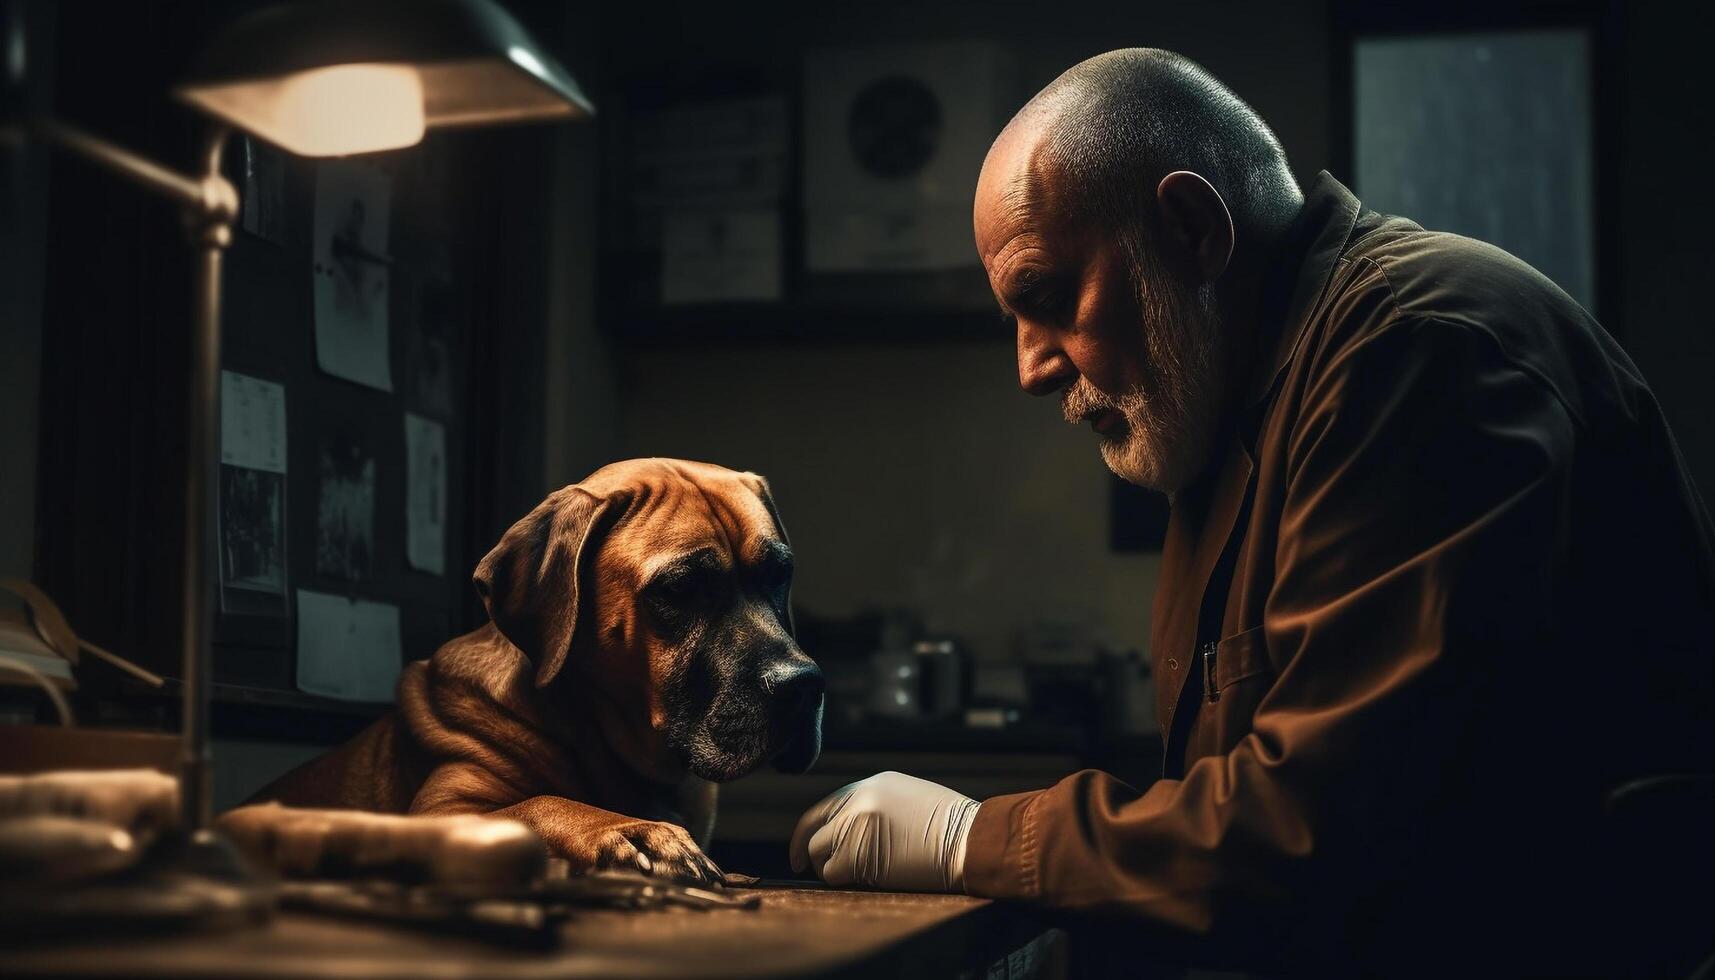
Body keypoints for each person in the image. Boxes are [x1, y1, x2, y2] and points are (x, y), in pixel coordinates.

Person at [789, 49, 1715, 975]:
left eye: (1047, 297)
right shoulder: (1228, 403)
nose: (1031, 368)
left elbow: (1313, 833)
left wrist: (968, 838)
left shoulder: (1415, 352)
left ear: (1191, 229)